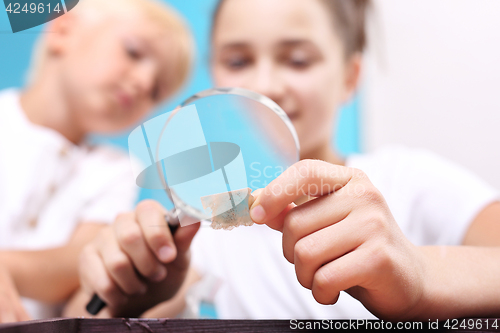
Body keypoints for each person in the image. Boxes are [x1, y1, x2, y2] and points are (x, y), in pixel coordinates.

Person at [71, 0, 500, 320]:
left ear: (349, 77)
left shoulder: (409, 180)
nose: (265, 84)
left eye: (297, 59)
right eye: (238, 61)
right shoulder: (204, 235)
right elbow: (88, 315)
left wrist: (421, 275)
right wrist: (134, 299)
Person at [0, 0, 192, 322]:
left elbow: (82, 259)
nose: (144, 83)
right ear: (63, 29)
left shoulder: (113, 170)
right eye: (133, 52)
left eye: (156, 91)